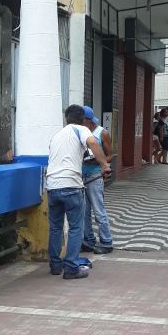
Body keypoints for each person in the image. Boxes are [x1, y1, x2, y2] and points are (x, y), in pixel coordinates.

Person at [46, 104, 111, 279]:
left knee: (55, 228)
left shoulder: (57, 135)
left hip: (52, 186)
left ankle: (55, 265)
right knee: (76, 227)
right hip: (71, 186)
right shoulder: (81, 129)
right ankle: (71, 268)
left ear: (66, 118)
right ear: (82, 119)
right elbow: (93, 143)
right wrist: (104, 165)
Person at [80, 106, 114, 255]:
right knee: (84, 211)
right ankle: (88, 240)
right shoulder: (82, 132)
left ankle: (106, 241)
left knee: (99, 210)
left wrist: (100, 161)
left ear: (88, 120)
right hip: (81, 175)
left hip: (95, 175)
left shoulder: (102, 133)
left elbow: (110, 155)